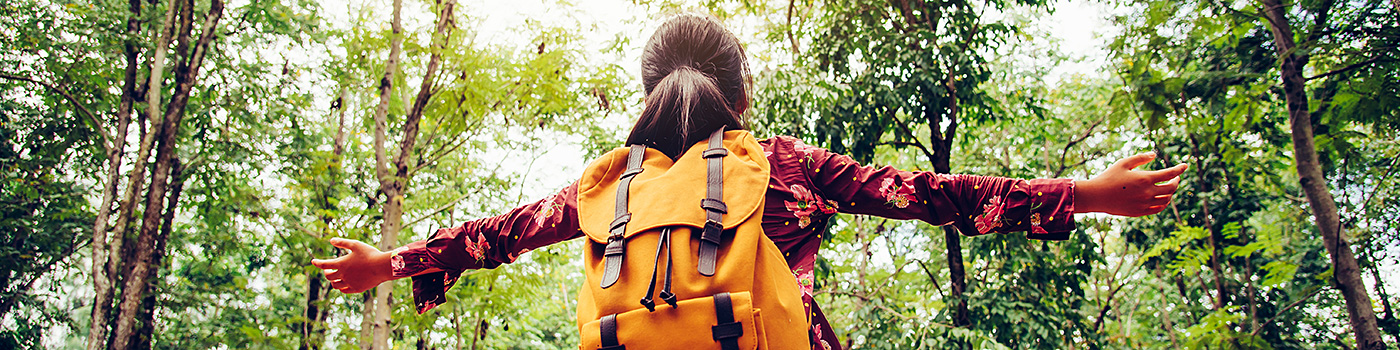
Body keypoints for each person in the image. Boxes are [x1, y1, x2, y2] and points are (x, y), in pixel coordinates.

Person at [311, 14, 1187, 350]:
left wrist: (388, 264)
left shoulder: (608, 189)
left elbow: (494, 235)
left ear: (645, 97)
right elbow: (935, 193)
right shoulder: (793, 168)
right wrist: (1086, 193)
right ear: (745, 97)